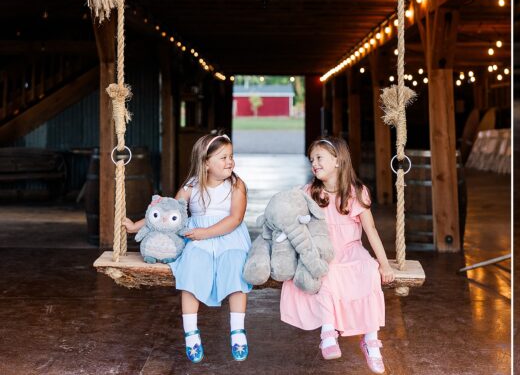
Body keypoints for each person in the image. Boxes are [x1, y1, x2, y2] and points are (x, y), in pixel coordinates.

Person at [123, 131, 251, 363]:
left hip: (228, 236)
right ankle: (191, 333)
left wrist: (206, 233)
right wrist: (135, 226)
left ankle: (237, 331)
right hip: (197, 238)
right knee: (191, 267)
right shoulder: (191, 187)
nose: (230, 161)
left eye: (231, 156)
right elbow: (168, 213)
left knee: (236, 264)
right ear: (206, 163)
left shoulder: (236, 185)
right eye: (223, 157)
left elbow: (235, 219)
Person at [279, 137, 394, 373]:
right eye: (312, 159)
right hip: (322, 251)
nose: (314, 163)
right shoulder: (309, 192)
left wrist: (384, 264)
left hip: (350, 249)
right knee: (327, 272)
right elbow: (293, 222)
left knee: (369, 271)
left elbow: (370, 231)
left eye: (319, 158)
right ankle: (328, 331)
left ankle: (371, 340)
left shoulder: (356, 192)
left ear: (338, 161)